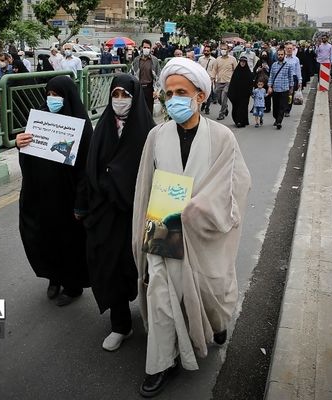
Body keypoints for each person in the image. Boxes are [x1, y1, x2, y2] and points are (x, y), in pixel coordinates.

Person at [132, 56, 251, 398]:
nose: (173, 101)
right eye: (168, 94)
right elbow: (146, 186)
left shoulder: (222, 137)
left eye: (181, 92)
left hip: (204, 230)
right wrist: (147, 231)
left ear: (200, 96)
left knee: (209, 286)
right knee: (161, 295)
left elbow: (236, 182)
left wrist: (199, 209)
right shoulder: (156, 136)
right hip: (163, 226)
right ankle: (162, 362)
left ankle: (215, 322)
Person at [85, 74, 155, 352]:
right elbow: (88, 168)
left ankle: (159, 321)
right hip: (107, 213)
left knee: (151, 269)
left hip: (140, 213)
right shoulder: (102, 128)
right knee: (111, 266)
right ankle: (121, 324)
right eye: (115, 94)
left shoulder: (149, 132)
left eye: (126, 95)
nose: (120, 101)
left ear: (135, 97)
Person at [15, 76, 93, 305]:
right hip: (39, 193)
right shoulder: (39, 119)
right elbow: (29, 157)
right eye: (49, 94)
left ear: (68, 96)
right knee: (42, 237)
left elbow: (86, 170)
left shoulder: (81, 124)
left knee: (68, 241)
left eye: (57, 95)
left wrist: (81, 202)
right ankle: (53, 277)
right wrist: (20, 144)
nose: (52, 99)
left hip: (66, 197)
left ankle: (72, 285)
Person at [130, 39, 162, 115]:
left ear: (150, 49)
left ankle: (149, 126)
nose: (146, 49)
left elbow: (158, 75)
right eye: (144, 47)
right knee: (138, 110)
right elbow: (131, 74)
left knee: (149, 110)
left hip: (149, 88)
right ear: (141, 48)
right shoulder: (136, 60)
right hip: (139, 88)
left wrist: (157, 90)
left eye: (148, 47)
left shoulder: (154, 60)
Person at [268, 48, 294, 129]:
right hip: (275, 89)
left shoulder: (288, 65)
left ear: (284, 55)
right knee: (275, 107)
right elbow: (271, 77)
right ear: (277, 55)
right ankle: (276, 118)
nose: (280, 56)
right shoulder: (274, 65)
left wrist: (291, 88)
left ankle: (279, 121)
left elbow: (290, 77)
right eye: (279, 54)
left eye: (281, 54)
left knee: (282, 106)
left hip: (284, 89)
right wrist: (269, 86)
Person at [210, 42, 237, 121]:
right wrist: (212, 77)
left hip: (228, 82)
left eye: (224, 49)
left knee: (224, 96)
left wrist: (235, 81)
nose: (223, 50)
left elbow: (236, 70)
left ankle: (221, 114)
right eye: (222, 49)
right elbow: (214, 70)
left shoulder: (233, 59)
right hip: (219, 81)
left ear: (228, 49)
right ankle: (225, 107)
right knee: (218, 98)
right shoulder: (217, 59)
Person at [227, 56, 253, 128]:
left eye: (244, 62)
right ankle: (237, 121)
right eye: (241, 61)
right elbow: (232, 83)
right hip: (236, 94)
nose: (242, 63)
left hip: (245, 95)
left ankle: (241, 121)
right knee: (236, 108)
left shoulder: (248, 73)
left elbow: (251, 83)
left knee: (243, 108)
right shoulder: (236, 72)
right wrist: (231, 93)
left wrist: (250, 92)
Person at [283, 43, 302, 117]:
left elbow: (298, 70)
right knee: (284, 94)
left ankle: (287, 110)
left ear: (293, 49)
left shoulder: (296, 59)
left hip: (293, 78)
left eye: (291, 48)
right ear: (285, 49)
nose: (289, 50)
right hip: (284, 77)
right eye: (288, 48)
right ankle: (283, 108)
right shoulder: (283, 58)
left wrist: (300, 80)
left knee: (290, 95)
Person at [197, 44, 216, 115]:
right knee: (201, 92)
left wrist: (214, 79)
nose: (206, 52)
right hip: (201, 79)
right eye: (205, 51)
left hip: (209, 79)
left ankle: (207, 108)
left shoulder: (213, 60)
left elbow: (214, 70)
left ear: (210, 52)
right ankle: (203, 104)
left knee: (209, 94)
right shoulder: (200, 59)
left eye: (208, 51)